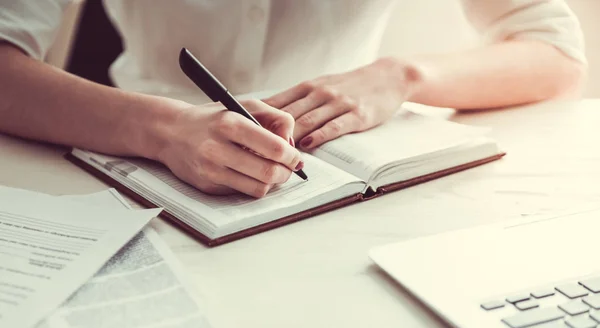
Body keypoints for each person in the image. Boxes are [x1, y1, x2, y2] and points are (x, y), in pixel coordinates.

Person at [0, 0, 586, 197]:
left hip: (346, 176)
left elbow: (555, 51)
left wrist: (402, 75)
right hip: (133, 160)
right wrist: (162, 129)